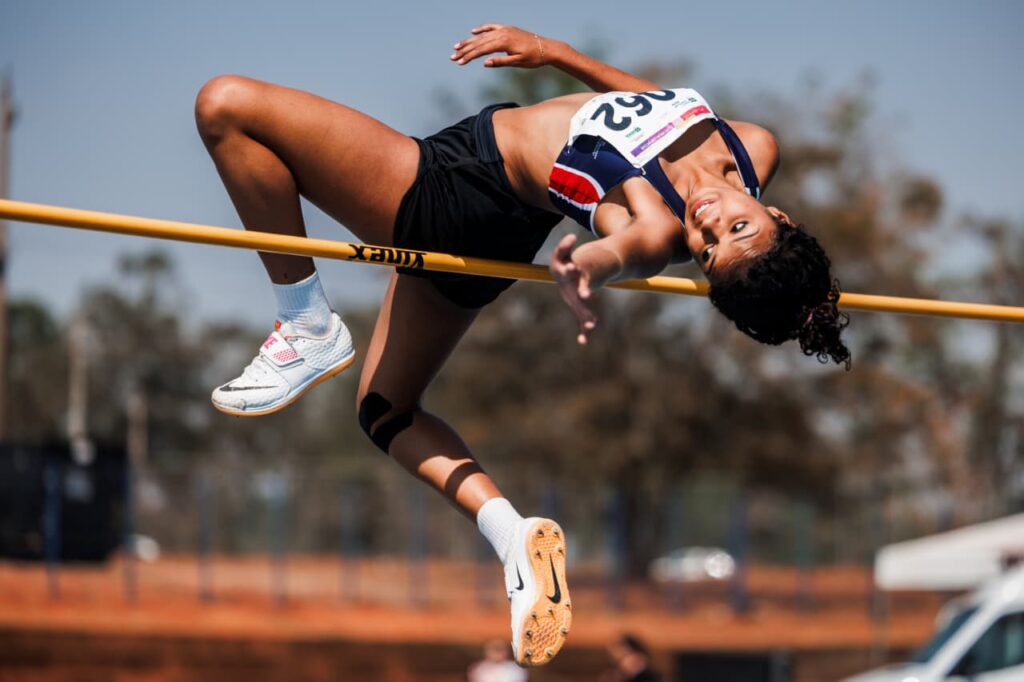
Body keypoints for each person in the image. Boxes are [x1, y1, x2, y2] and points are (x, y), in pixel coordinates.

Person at [194, 24, 850, 667]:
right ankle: (513, 538)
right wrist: (555, 53)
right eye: (737, 228)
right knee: (387, 410)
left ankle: (305, 322)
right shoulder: (754, 146)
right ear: (777, 214)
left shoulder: (657, 225)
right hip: (499, 223)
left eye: (706, 253)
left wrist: (584, 268)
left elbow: (628, 248)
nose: (708, 226)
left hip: (460, 188)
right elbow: (652, 104)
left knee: (227, 107)